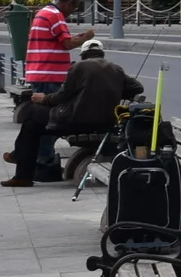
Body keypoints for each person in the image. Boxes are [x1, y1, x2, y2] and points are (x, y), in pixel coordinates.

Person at [4, 0, 89, 188]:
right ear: (69, 3)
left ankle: (24, 156)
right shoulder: (55, 16)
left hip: (40, 73)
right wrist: (87, 37)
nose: (72, 12)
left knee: (36, 122)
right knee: (48, 123)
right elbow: (67, 44)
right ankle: (43, 161)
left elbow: (59, 41)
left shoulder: (44, 13)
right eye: (74, 7)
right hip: (49, 76)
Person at [44, 38, 144, 177]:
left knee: (40, 119)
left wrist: (45, 99)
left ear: (84, 55)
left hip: (78, 122)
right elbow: (138, 87)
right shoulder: (116, 69)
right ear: (101, 53)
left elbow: (63, 95)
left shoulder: (78, 67)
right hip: (108, 122)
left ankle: (43, 164)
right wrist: (117, 90)